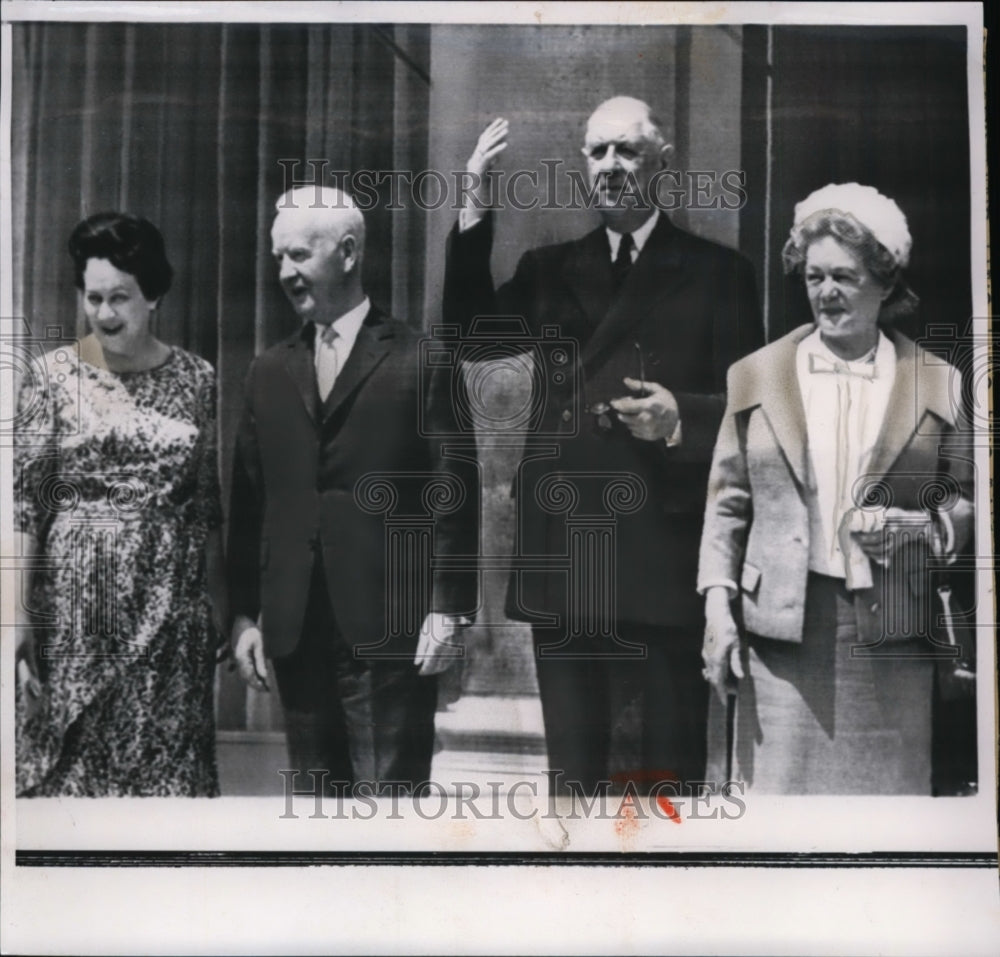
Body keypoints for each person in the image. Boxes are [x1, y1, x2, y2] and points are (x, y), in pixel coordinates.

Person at [444, 97, 763, 794]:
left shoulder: (718, 273)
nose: (611, 167)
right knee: (577, 783)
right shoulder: (548, 269)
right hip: (567, 558)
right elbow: (470, 336)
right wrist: (475, 204)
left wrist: (683, 415)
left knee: (663, 782)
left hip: (663, 561)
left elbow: (753, 419)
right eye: (597, 153)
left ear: (663, 164)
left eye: (626, 151)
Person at [698, 183, 974, 794]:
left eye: (845, 277)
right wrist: (718, 610)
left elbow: (967, 503)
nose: (827, 293)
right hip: (781, 641)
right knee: (780, 824)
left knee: (888, 823)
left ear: (885, 281)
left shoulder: (938, 383)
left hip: (893, 639)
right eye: (815, 276)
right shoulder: (756, 375)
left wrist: (910, 527)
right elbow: (727, 506)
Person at [228, 187, 478, 794]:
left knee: (392, 810)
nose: (285, 272)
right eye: (278, 258)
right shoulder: (268, 370)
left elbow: (455, 492)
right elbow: (248, 502)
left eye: (298, 255)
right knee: (318, 816)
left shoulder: (423, 359)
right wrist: (242, 617)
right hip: (294, 627)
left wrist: (449, 607)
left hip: (392, 628)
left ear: (346, 252)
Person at [14, 211, 227, 797]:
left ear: (154, 294)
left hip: (171, 618)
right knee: (75, 781)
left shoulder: (197, 379)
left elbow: (205, 506)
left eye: (121, 297)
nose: (105, 314)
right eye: (93, 297)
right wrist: (16, 618)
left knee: (165, 785)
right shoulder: (51, 377)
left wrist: (225, 612)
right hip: (77, 615)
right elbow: (27, 507)